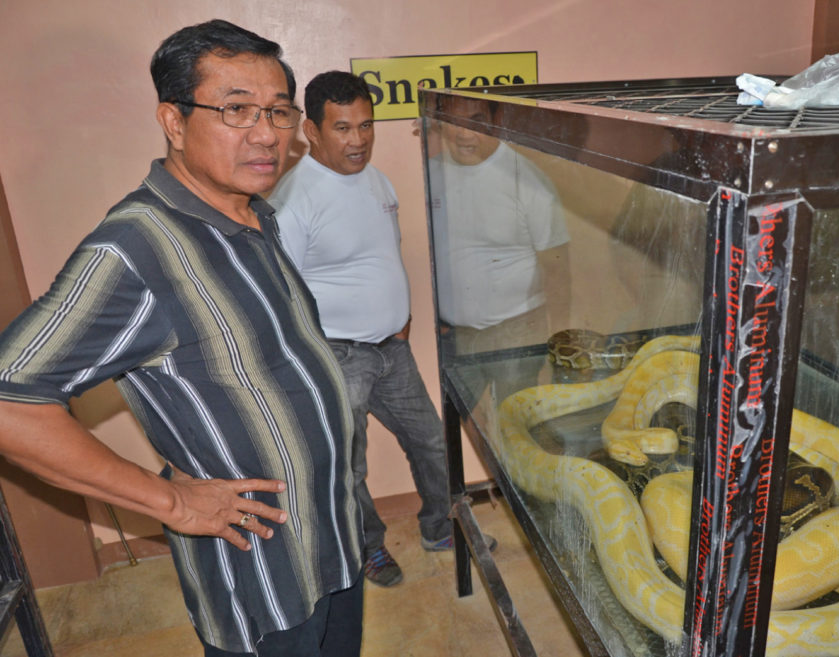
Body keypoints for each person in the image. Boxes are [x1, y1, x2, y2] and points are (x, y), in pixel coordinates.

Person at [0, 20, 364, 657]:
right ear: (173, 121)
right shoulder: (136, 248)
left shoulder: (253, 212)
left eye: (279, 112)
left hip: (330, 542)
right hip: (263, 582)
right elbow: (10, 405)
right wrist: (169, 499)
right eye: (235, 110)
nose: (266, 134)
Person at [269, 72, 494, 588]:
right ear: (312, 130)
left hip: (392, 349)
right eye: (343, 128)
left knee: (432, 444)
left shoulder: (374, 178)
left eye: (366, 125)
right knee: (350, 469)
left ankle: (441, 528)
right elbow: (281, 292)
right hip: (337, 356)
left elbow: (382, 254)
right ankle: (368, 549)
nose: (359, 140)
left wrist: (400, 316)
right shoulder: (293, 197)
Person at [427, 95, 571, 407]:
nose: (464, 134)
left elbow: (558, 272)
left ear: (495, 123)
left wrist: (557, 355)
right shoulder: (430, 175)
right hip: (454, 338)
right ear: (440, 124)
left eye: (476, 122)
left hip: (517, 334)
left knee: (516, 429)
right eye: (454, 123)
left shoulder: (528, 180)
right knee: (450, 431)